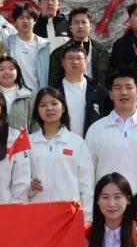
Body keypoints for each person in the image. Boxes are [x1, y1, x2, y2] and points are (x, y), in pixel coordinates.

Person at [29, 87, 95, 222]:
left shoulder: (76, 142)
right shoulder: (29, 143)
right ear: (37, 111)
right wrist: (29, 186)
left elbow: (87, 185)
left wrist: (87, 219)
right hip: (36, 215)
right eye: (43, 105)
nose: (49, 108)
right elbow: (19, 181)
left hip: (69, 216)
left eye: (54, 103)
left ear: (63, 108)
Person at [49, 43, 110, 137]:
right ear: (63, 62)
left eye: (79, 58)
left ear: (86, 61)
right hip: (61, 141)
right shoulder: (54, 91)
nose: (75, 62)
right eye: (70, 58)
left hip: (91, 141)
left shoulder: (98, 89)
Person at [43, 7, 110, 88]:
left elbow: (108, 82)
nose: (80, 26)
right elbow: (53, 84)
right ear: (70, 27)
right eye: (76, 22)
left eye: (84, 22)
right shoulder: (58, 54)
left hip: (97, 95)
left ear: (90, 26)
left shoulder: (102, 52)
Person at [4, 4, 50, 93]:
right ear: (15, 22)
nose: (25, 21)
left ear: (35, 21)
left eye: (29, 18)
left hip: (37, 94)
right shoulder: (8, 43)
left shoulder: (44, 45)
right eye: (21, 18)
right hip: (14, 94)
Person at [0, 55, 33, 129]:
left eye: (11, 69)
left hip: (20, 136)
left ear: (17, 72)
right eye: (2, 69)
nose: (7, 72)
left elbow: (34, 125)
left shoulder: (27, 96)